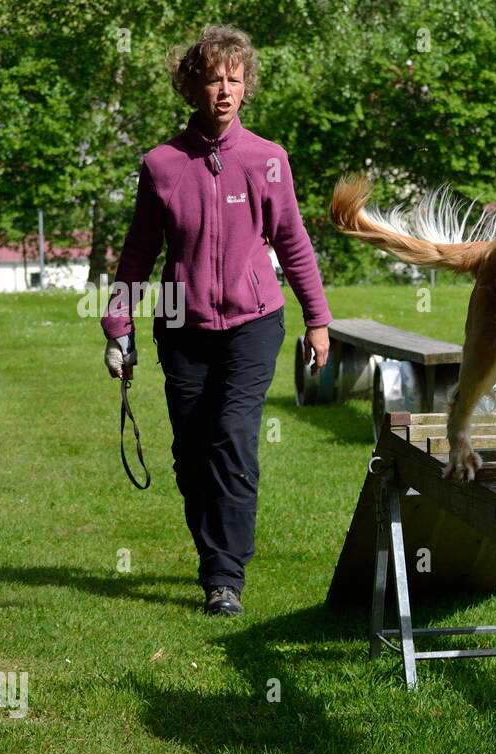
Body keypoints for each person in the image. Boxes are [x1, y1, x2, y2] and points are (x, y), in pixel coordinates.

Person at [102, 25, 331, 617]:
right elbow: (137, 252)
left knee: (232, 437)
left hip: (255, 320)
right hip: (181, 322)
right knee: (190, 450)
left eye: (234, 79)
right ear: (192, 87)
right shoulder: (161, 165)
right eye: (212, 79)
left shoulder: (268, 160)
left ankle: (225, 575)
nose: (224, 91)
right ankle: (214, 562)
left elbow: (294, 242)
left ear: (246, 86)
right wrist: (117, 327)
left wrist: (318, 319)